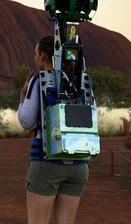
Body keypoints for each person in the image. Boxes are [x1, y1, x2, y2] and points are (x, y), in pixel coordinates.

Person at [17, 36, 89, 224]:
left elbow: (26, 121)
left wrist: (22, 97)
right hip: (78, 164)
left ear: (42, 55)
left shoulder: (38, 80)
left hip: (47, 162)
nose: (34, 58)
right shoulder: (80, 81)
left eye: (36, 54)